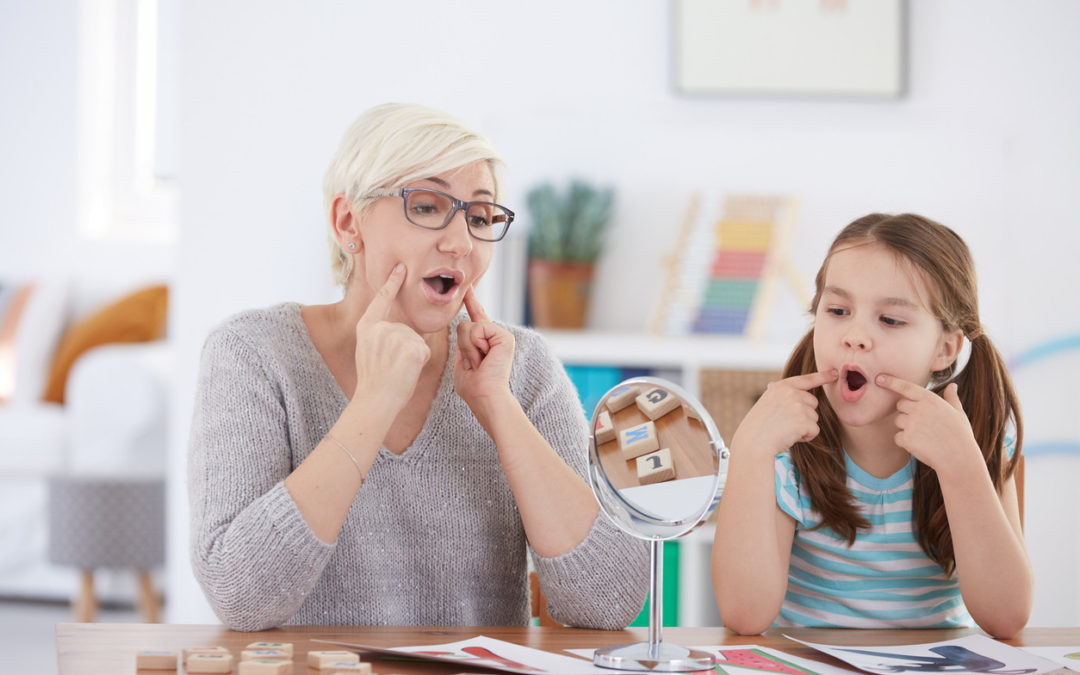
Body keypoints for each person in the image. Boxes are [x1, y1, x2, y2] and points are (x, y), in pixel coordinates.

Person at [188, 103, 649, 631]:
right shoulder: (252, 353)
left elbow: (608, 603)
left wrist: (497, 405)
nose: (460, 242)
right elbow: (239, 596)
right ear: (347, 222)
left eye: (479, 217)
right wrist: (372, 405)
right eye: (427, 207)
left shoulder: (521, 368)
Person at [711, 213, 1031, 638]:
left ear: (945, 349)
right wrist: (749, 450)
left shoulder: (977, 436)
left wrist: (962, 465)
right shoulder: (785, 449)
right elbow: (744, 615)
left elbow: (1006, 616)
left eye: (891, 320)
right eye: (838, 311)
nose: (855, 336)